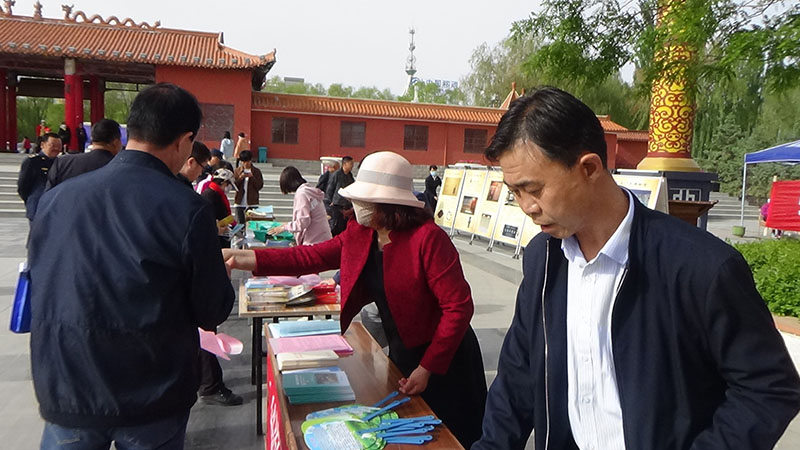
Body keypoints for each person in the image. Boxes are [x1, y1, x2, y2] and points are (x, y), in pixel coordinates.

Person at [472, 87, 800, 450]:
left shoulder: (701, 267)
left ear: (589, 168)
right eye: (515, 192)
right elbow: (517, 377)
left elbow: (768, 388)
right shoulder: (544, 259)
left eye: (533, 189)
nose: (527, 207)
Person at [223, 151, 487, 447]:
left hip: (445, 357)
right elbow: (308, 257)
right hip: (403, 350)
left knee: (452, 436)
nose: (355, 206)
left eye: (363, 201)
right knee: (412, 432)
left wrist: (427, 367)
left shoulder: (428, 238)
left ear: (387, 203)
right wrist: (242, 257)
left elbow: (458, 308)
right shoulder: (362, 233)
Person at [28, 82, 235, 449]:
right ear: (185, 141)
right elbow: (210, 310)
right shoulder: (186, 209)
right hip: (149, 393)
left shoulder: (57, 199)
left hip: (67, 383)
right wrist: (219, 277)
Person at [176, 143, 242, 407]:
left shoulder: (191, 192)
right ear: (190, 161)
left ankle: (204, 382)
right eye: (202, 166)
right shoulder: (199, 198)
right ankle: (210, 385)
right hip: (193, 280)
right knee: (205, 332)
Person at [46, 119, 122, 190]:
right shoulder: (120, 168)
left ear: (92, 138)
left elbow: (47, 195)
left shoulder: (63, 163)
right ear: (115, 142)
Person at [268, 166, 332, 245]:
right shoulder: (308, 191)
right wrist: (287, 224)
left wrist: (284, 228)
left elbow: (303, 222)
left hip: (314, 242)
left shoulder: (302, 194)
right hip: (323, 238)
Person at [17, 132, 61, 223]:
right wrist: (32, 200)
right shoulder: (32, 161)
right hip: (38, 206)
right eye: (52, 145)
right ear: (42, 145)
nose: (56, 149)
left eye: (59, 146)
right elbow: (23, 187)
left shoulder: (61, 163)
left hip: (56, 209)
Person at [201, 168, 237, 249]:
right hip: (214, 239)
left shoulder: (218, 194)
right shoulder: (210, 195)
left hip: (221, 236)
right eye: (228, 185)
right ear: (223, 182)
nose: (229, 188)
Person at [325, 155, 355, 236]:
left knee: (344, 227)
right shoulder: (337, 174)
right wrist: (330, 201)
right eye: (351, 164)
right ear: (344, 164)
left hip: (346, 205)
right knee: (336, 226)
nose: (352, 166)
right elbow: (330, 189)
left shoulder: (350, 176)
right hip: (337, 205)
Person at [233, 150, 264, 224]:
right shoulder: (237, 171)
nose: (245, 164)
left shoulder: (256, 171)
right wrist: (240, 178)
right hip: (239, 202)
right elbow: (234, 186)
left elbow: (259, 186)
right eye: (243, 162)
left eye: (247, 161)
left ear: (250, 160)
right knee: (240, 224)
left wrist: (252, 177)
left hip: (252, 202)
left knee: (252, 224)